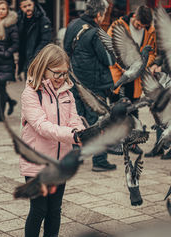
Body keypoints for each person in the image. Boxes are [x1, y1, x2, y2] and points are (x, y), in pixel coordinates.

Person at [19, 43, 84, 237]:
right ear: (44, 69)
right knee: (39, 209)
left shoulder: (67, 92)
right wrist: (72, 136)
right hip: (37, 164)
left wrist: (80, 130)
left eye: (64, 73)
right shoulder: (31, 93)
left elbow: (73, 119)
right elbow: (42, 126)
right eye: (57, 73)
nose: (61, 78)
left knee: (55, 210)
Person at [64, 0, 117, 172]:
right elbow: (110, 59)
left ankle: (74, 156)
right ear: (99, 14)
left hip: (75, 81)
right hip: (94, 85)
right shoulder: (96, 33)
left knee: (77, 119)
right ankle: (99, 160)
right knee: (98, 123)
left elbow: (65, 49)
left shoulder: (72, 25)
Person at [107, 5, 157, 154]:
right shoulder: (118, 25)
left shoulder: (150, 31)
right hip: (118, 74)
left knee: (134, 112)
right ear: (134, 15)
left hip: (135, 79)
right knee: (116, 111)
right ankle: (115, 143)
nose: (140, 27)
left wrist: (141, 65)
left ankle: (133, 143)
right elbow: (109, 48)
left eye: (143, 26)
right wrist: (121, 66)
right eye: (139, 23)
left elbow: (152, 54)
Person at [18, 0, 52, 79]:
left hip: (37, 59)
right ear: (21, 8)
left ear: (34, 5)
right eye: (24, 7)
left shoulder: (43, 20)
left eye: (29, 5)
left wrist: (35, 56)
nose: (27, 8)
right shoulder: (20, 20)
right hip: (26, 59)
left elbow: (46, 40)